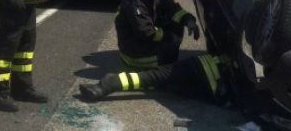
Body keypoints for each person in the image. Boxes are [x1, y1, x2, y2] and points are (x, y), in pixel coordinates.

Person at [115, 0, 199, 70]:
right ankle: (160, 70)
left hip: (142, 41)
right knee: (169, 43)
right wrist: (169, 37)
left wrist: (188, 20)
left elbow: (172, 8)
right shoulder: (135, 3)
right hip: (134, 54)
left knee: (176, 26)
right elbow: (146, 32)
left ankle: (167, 60)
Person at [79, 53, 229, 104]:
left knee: (157, 77)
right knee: (162, 82)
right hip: (214, 86)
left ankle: (110, 83)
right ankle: (109, 84)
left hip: (209, 72)